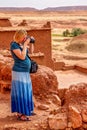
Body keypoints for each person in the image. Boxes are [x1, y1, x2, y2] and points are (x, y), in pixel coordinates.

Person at [10, 29, 35, 121]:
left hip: (25, 72)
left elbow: (31, 52)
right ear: (19, 37)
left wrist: (31, 43)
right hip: (18, 72)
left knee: (26, 91)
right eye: (24, 36)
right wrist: (25, 45)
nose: (25, 38)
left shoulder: (21, 44)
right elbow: (22, 56)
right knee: (21, 92)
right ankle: (21, 113)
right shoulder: (14, 45)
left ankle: (26, 110)